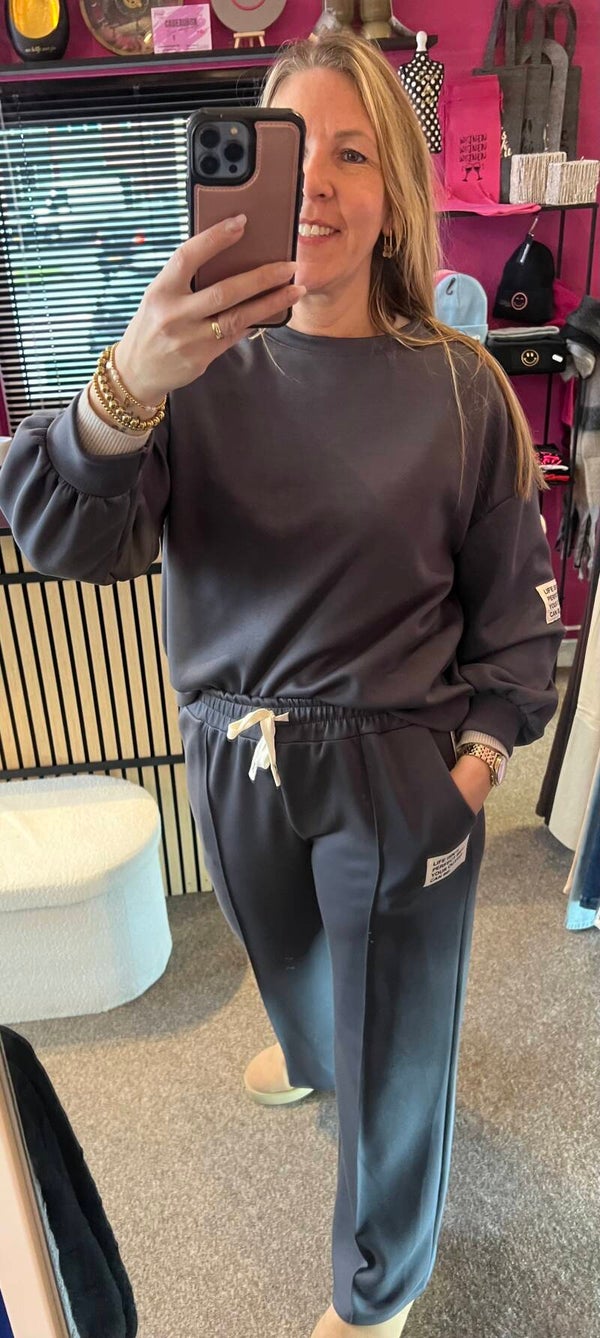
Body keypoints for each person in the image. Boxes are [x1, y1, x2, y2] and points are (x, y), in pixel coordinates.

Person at [0, 32, 564, 1338]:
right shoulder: (186, 370)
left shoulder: (463, 388)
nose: (313, 182)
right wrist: (124, 386)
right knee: (292, 963)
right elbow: (66, 539)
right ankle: (315, 1051)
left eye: (351, 154)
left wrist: (472, 766)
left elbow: (515, 612)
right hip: (235, 754)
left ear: (393, 199)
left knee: (397, 1049)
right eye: (286, 149)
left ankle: (381, 1288)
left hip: (400, 767)